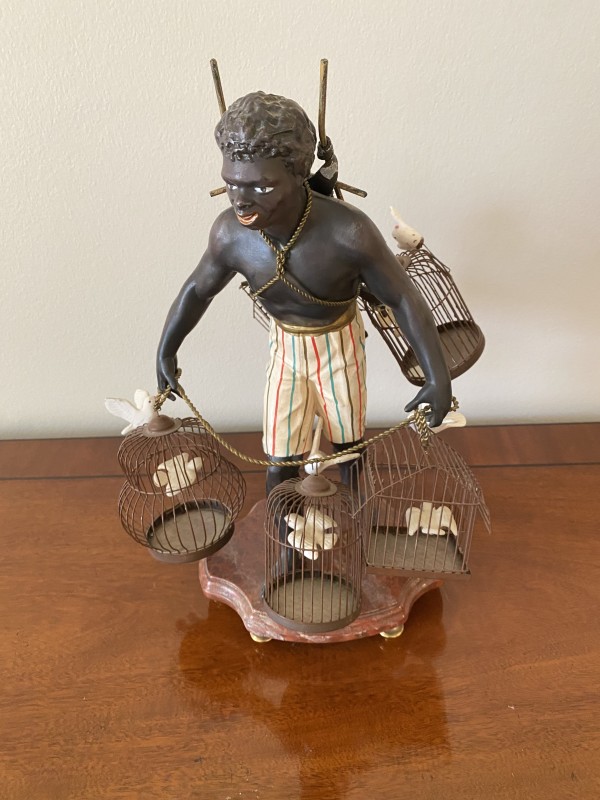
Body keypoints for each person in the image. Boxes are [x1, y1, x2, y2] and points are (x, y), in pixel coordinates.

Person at [156, 91, 451, 494]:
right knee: (280, 453)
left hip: (340, 347)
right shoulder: (230, 235)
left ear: (298, 173)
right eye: (231, 184)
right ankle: (282, 528)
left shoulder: (349, 231)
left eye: (261, 188)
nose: (240, 201)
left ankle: (356, 517)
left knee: (348, 446)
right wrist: (166, 350)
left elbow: (401, 297)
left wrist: (437, 376)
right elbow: (197, 290)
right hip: (285, 350)